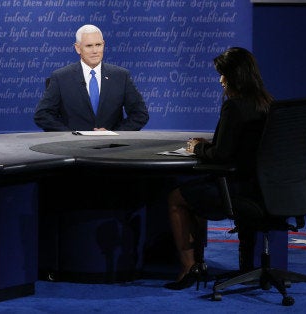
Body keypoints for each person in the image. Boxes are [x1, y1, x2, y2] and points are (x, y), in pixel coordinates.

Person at [164, 47, 273, 290]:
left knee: (177, 198)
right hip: (266, 189)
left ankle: (188, 267)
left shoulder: (234, 106)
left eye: (223, 74)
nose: (220, 80)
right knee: (197, 191)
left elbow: (221, 155)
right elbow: (243, 146)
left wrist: (196, 148)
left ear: (235, 76)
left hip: (235, 190)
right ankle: (234, 265)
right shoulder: (267, 103)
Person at [33, 24, 149, 131]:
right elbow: (42, 115)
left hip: (112, 148)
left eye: (98, 45)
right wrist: (70, 136)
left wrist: (114, 134)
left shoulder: (121, 76)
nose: (95, 51)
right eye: (89, 46)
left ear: (103, 44)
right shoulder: (61, 77)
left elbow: (140, 114)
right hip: (74, 149)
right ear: (78, 48)